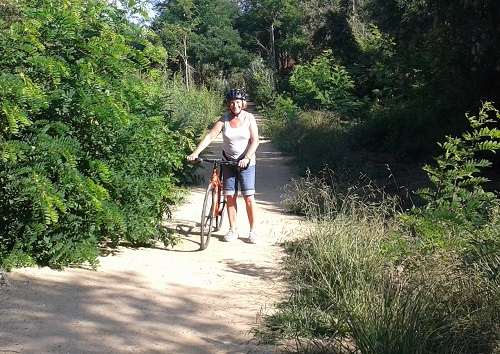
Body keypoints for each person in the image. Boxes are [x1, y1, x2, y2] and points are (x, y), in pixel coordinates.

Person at [187, 88, 260, 243]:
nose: (234, 105)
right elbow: (211, 136)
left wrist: (246, 158)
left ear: (242, 103)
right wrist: (196, 152)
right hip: (228, 162)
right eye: (232, 102)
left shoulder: (249, 118)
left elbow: (255, 140)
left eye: (237, 102)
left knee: (248, 197)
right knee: (230, 196)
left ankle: (253, 230)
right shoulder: (224, 119)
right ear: (228, 104)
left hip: (246, 162)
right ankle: (233, 229)